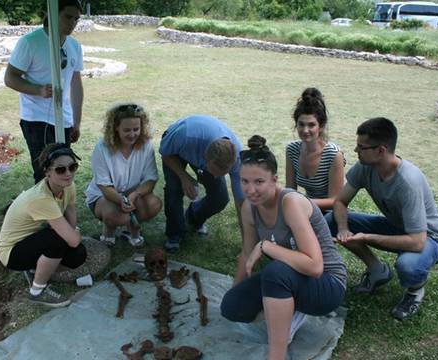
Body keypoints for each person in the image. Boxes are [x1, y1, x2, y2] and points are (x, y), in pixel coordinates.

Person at [220, 135, 346, 360]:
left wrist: (266, 246)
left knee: (275, 272)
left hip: (327, 284)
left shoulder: (290, 203)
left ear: (274, 180)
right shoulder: (250, 208)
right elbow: (247, 253)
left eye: (259, 182)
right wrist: (237, 288)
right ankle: (288, 309)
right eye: (244, 181)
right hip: (291, 277)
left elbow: (315, 266)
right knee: (231, 307)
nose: (250, 190)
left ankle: (276, 354)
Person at [327, 117, 438, 320]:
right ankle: (377, 270)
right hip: (397, 227)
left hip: (429, 238)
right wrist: (342, 228)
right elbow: (340, 202)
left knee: (408, 265)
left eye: (361, 147)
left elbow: (417, 242)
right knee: (332, 220)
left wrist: (366, 237)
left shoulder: (408, 181)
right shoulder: (365, 167)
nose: (356, 151)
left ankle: (415, 291)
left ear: (381, 150)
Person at [4, 0, 84, 184]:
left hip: (63, 118)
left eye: (76, 19)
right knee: (45, 172)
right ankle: (44, 211)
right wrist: (38, 90)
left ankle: (60, 210)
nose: (72, 23)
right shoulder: (30, 42)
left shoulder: (74, 46)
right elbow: (10, 78)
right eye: (68, 17)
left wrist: (76, 121)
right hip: (35, 118)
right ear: (52, 13)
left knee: (64, 170)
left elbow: (76, 84)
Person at [0, 143, 86, 307]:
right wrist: (73, 234)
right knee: (57, 240)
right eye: (60, 170)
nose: (68, 174)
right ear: (47, 172)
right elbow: (73, 239)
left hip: (32, 239)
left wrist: (73, 233)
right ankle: (37, 291)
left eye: (72, 167)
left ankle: (37, 269)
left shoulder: (68, 186)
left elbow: (71, 215)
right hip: (11, 253)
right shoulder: (41, 198)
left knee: (78, 255)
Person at [159, 114, 244, 252]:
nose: (215, 176)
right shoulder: (185, 136)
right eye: (213, 171)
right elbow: (165, 153)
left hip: (201, 148)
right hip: (175, 149)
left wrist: (247, 243)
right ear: (205, 158)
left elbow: (241, 203)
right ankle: (174, 234)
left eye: (221, 174)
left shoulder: (237, 159)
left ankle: (193, 217)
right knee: (173, 189)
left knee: (220, 197)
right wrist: (184, 177)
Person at [85, 103, 162, 247]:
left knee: (153, 204)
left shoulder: (146, 145)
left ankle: (132, 229)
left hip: (133, 194)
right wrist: (121, 200)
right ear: (115, 128)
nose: (132, 134)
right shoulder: (102, 148)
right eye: (127, 130)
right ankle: (109, 229)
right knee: (116, 215)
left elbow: (150, 179)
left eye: (136, 129)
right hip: (104, 196)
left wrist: (135, 194)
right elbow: (104, 185)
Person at [285, 88, 345, 212]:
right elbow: (290, 190)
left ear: (321, 126)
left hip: (332, 213)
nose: (305, 130)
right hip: (306, 209)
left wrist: (300, 202)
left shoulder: (333, 154)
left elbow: (335, 200)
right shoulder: (292, 150)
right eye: (301, 124)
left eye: (311, 125)